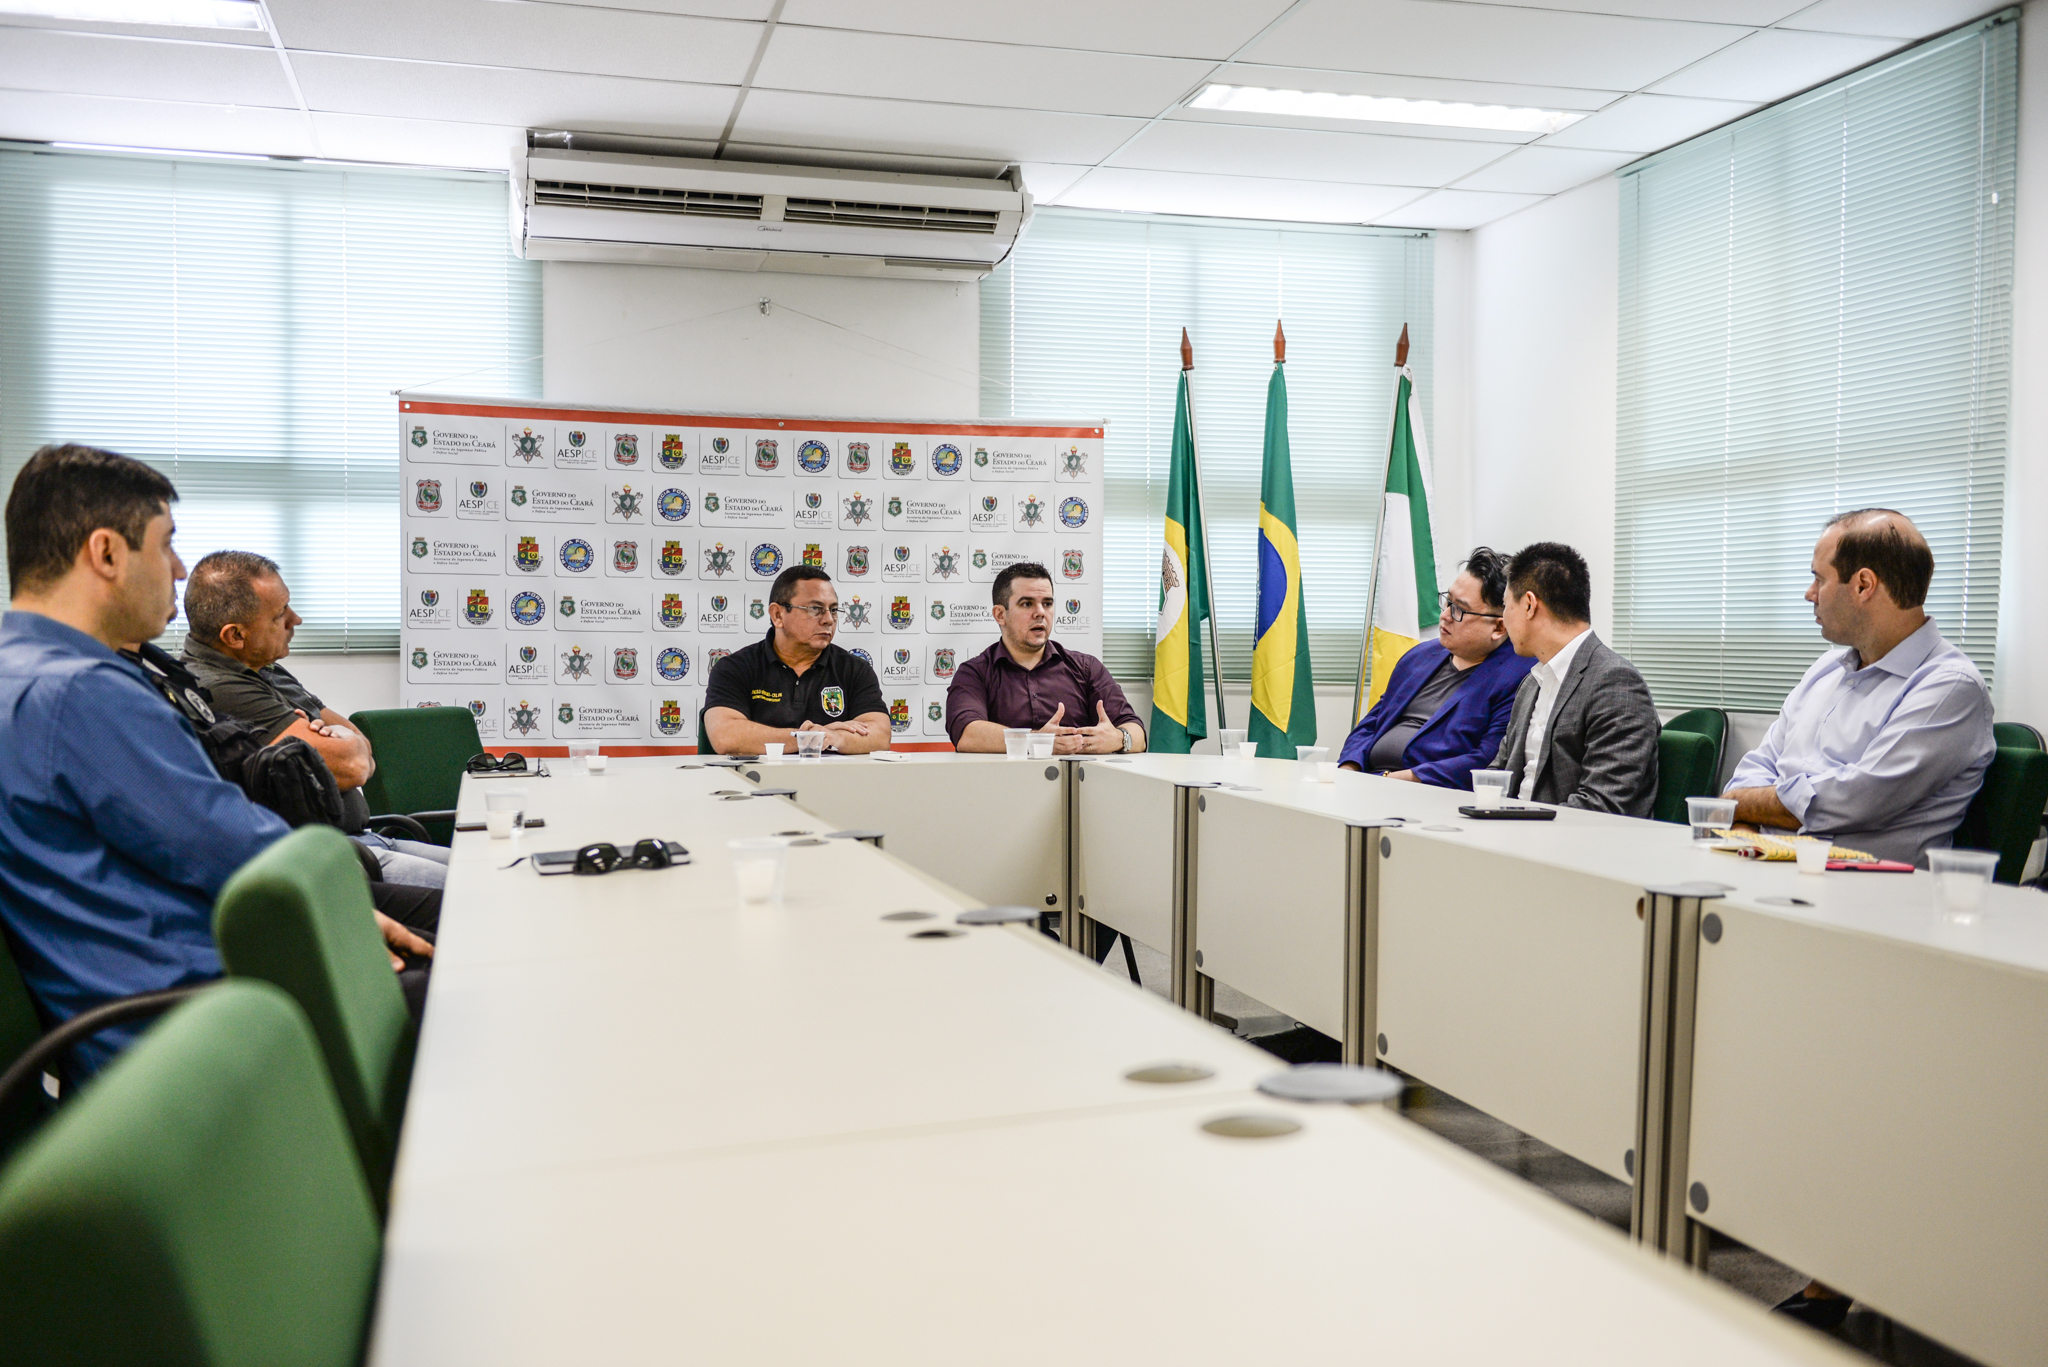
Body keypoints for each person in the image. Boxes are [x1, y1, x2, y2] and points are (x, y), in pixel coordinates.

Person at [0, 444, 431, 1078]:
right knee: (476, 992)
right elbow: (235, 846)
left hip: (129, 1013)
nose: (178, 569)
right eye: (166, 543)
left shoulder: (22, 672)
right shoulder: (85, 691)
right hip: (201, 1017)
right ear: (107, 553)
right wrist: (343, 915)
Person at [1726, 510, 1992, 867]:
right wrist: (1743, 826)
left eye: (1819, 580)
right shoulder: (1826, 670)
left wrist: (1741, 805)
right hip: (1768, 867)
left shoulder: (1949, 686)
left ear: (1863, 585)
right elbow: (1757, 766)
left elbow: (1855, 799)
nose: (1809, 594)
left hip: (1864, 897)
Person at [179, 551, 449, 888]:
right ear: (235, 635)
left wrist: (333, 735)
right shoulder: (217, 688)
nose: (297, 620)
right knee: (481, 890)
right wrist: (338, 740)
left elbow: (360, 748)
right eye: (280, 615)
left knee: (494, 866)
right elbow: (352, 765)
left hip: (365, 839)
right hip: (332, 861)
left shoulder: (265, 668)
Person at [1489, 542, 1660, 817]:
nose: (1503, 619)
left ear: (1530, 605)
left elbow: (1601, 804)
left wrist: (1516, 830)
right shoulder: (1532, 682)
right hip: (1513, 835)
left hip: (1573, 846)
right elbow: (1498, 772)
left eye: (1507, 606)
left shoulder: (1617, 683)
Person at [1338, 546, 1533, 787]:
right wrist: (1349, 767)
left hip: (1431, 794)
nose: (1445, 616)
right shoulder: (1420, 656)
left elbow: (1487, 760)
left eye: (1459, 609)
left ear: (1499, 628)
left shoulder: (1520, 676)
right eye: (1448, 601)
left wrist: (1396, 779)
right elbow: (1372, 723)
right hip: (1372, 782)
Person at [947, 562, 1145, 755]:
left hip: (1075, 785)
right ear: (1000, 614)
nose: (1040, 613)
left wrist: (1119, 739)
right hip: (1004, 785)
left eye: (1047, 603)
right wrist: (1038, 741)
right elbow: (967, 733)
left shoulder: (1086, 668)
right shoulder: (975, 673)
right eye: (1027, 604)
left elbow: (1137, 733)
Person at [703, 565, 891, 755]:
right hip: (756, 781)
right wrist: (813, 738)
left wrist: (836, 738)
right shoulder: (735, 668)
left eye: (833, 610)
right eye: (815, 609)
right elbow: (726, 736)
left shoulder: (854, 669)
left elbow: (880, 736)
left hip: (834, 781)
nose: (828, 619)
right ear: (777, 615)